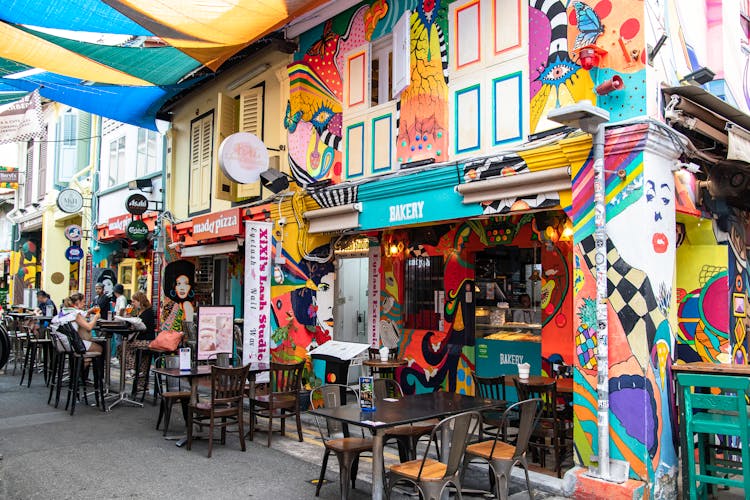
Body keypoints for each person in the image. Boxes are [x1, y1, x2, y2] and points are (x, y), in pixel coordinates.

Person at [124, 291, 156, 380]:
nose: (132, 303)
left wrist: (133, 323)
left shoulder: (148, 312)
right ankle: (141, 385)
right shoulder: (140, 311)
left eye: (134, 301)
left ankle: (133, 369)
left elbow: (143, 327)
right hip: (142, 339)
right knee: (142, 359)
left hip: (147, 341)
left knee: (125, 345)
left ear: (140, 301)